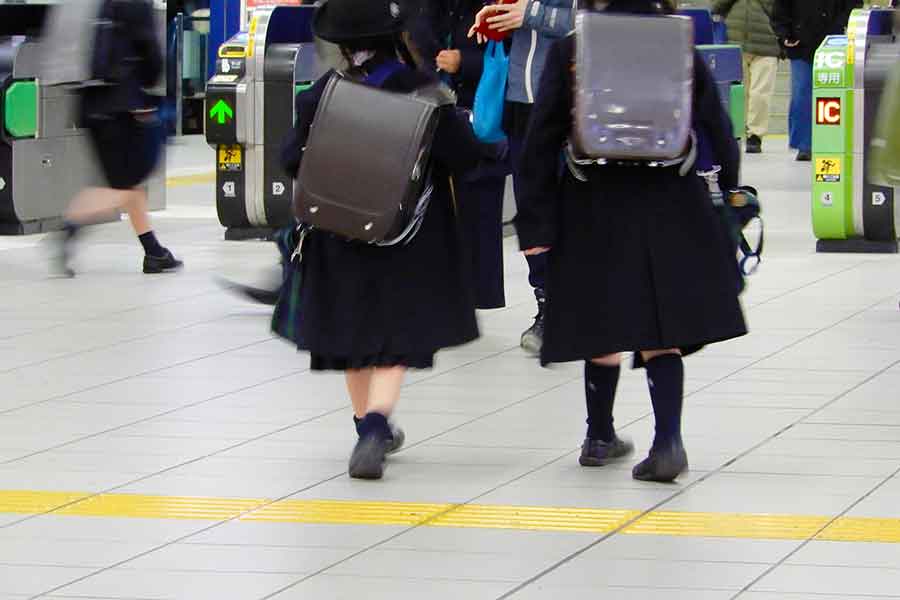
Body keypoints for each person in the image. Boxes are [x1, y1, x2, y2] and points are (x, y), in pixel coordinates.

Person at [514, 0, 748, 482]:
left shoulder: (574, 49)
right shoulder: (678, 42)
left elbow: (540, 141)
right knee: (660, 321)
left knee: (599, 315)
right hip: (669, 196)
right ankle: (668, 441)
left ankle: (599, 435)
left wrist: (535, 223)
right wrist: (730, 190)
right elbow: (717, 127)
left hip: (591, 196)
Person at [280, 0, 503, 480]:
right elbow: (463, 158)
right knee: (394, 334)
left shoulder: (324, 91)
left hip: (337, 233)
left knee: (353, 334)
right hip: (406, 237)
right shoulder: (425, 92)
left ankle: (365, 425)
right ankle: (379, 422)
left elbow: (288, 158)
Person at [469, 0, 577, 355]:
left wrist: (530, 14)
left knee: (573, 208)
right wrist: (495, 18)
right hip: (520, 99)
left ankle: (576, 305)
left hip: (571, 101)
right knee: (531, 210)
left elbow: (594, 23)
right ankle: (547, 303)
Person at [57, 0, 182, 277]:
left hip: (89, 103)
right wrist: (151, 84)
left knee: (127, 181)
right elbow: (149, 52)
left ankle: (154, 252)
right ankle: (70, 226)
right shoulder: (134, 3)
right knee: (125, 185)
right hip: (122, 105)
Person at [413, 0, 508, 309]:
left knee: (479, 204)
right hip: (431, 110)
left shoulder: (494, 7)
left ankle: (477, 293)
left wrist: (464, 61)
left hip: (480, 114)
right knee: (429, 202)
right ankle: (439, 289)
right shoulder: (427, 8)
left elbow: (510, 59)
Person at [771, 0, 861, 162]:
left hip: (833, 44)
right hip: (801, 44)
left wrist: (840, 26)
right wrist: (785, 34)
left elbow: (853, 5)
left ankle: (831, 141)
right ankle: (804, 145)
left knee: (832, 94)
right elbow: (780, 9)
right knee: (802, 94)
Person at [712, 0, 780, 154]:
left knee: (760, 94)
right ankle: (735, 131)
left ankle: (755, 135)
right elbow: (717, 6)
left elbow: (781, 10)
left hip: (767, 45)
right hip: (735, 42)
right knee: (738, 93)